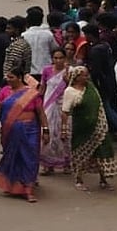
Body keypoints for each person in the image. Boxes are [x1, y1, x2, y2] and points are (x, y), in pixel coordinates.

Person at [0, 65, 48, 202]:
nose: (8, 79)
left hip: (30, 131)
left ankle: (29, 189)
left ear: (19, 78)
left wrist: (46, 130)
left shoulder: (31, 94)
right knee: (13, 157)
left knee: (29, 159)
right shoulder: (5, 91)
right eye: (7, 76)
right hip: (10, 130)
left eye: (11, 77)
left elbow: (41, 113)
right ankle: (13, 186)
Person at [63, 65, 117, 191]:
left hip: (98, 128)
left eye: (87, 74)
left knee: (101, 152)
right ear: (76, 77)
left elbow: (99, 106)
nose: (87, 77)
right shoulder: (70, 91)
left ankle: (103, 180)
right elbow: (65, 112)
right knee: (80, 154)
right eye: (84, 75)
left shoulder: (91, 88)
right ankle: (78, 180)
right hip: (81, 129)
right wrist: (64, 129)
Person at [38, 47, 71, 175]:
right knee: (48, 134)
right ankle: (48, 165)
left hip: (64, 106)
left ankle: (66, 163)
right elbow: (42, 88)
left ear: (65, 58)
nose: (58, 60)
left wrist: (68, 80)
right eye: (55, 58)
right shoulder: (46, 70)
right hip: (49, 106)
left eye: (61, 58)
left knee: (64, 135)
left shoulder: (69, 71)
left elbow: (73, 87)